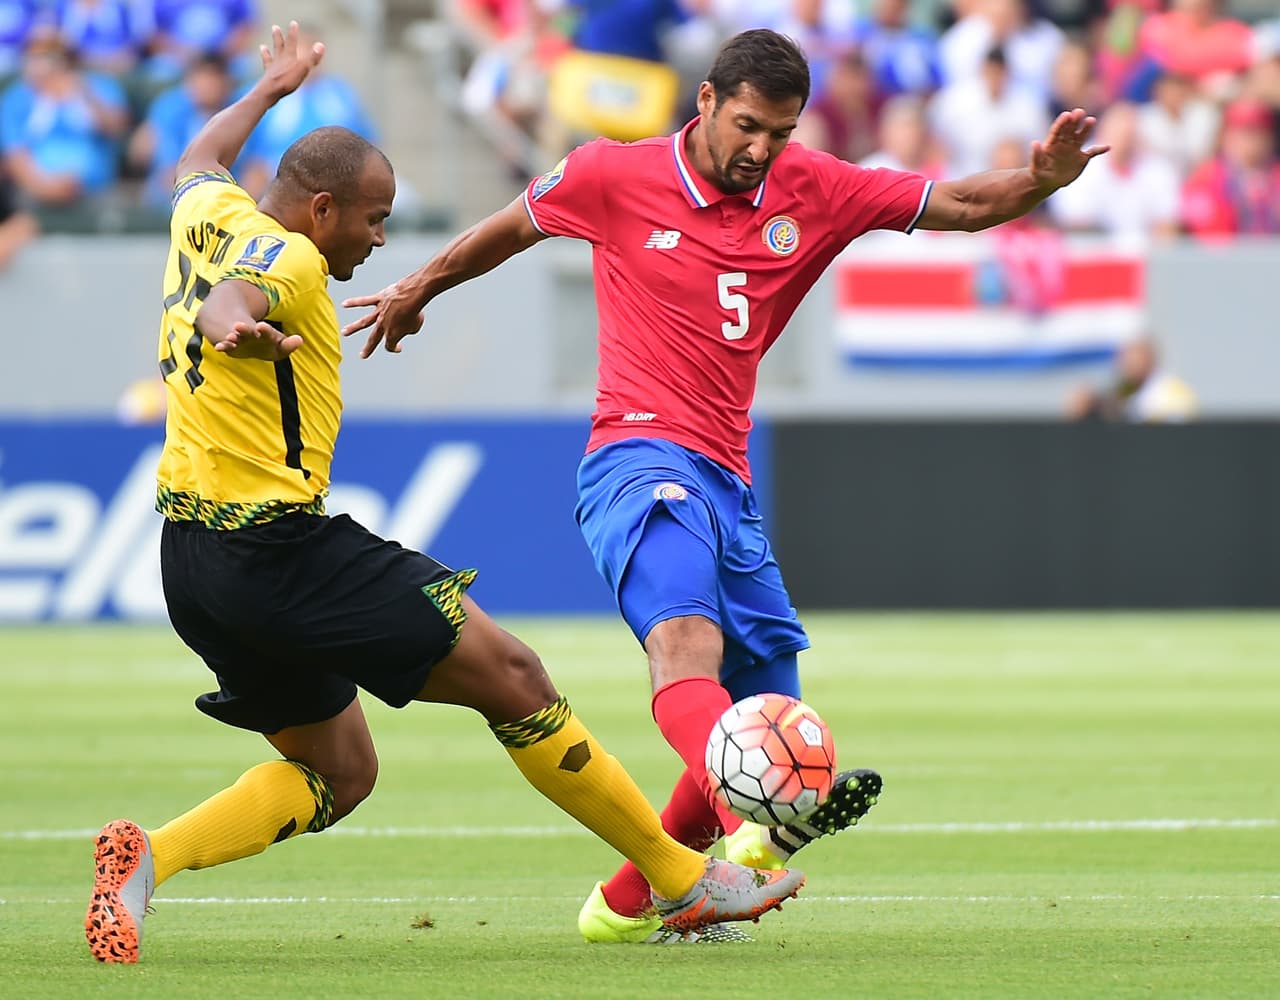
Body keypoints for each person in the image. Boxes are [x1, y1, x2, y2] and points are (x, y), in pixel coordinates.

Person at [340, 27, 1108, 945]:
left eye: (778, 134)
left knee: (772, 704)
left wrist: (1043, 182)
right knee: (690, 651)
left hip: (727, 481)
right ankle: (768, 819)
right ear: (705, 101)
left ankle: (632, 904)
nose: (760, 149)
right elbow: (505, 231)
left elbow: (966, 204)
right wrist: (416, 286)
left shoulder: (814, 187)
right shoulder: (609, 174)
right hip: (636, 459)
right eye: (748, 125)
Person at [83, 20, 804, 966]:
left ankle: (148, 862)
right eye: (372, 220)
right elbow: (242, 297)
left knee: (341, 772)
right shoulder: (290, 260)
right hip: (277, 550)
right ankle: (682, 876)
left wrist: (271, 90)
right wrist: (231, 327)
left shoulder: (202, 210)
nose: (379, 240)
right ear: (321, 208)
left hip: (192, 562)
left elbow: (197, 153)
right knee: (515, 678)